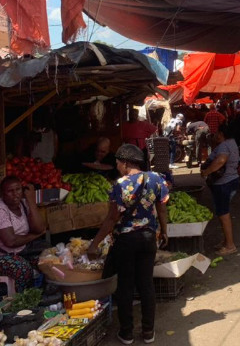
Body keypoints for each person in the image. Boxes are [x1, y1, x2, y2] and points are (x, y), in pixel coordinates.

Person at [87, 144, 168, 345]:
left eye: (117, 163)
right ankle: (149, 332)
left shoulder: (119, 185)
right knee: (146, 284)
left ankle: (127, 333)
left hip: (126, 240)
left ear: (125, 163)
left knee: (125, 285)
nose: (117, 167)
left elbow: (111, 218)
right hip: (149, 238)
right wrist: (164, 231)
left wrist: (94, 244)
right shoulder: (157, 179)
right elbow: (162, 209)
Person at [0, 176, 47, 293]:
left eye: (18, 189)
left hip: (21, 250)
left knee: (47, 260)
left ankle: (42, 294)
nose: (15, 194)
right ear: (3, 193)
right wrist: (35, 236)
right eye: (10, 191)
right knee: (22, 269)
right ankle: (20, 301)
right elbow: (11, 241)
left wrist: (31, 201)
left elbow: (40, 228)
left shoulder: (23, 204)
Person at [201, 123, 240, 256]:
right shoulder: (232, 143)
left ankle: (230, 245)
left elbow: (221, 160)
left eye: (217, 132)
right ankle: (226, 241)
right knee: (223, 213)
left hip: (224, 183)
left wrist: (207, 171)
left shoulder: (224, 145)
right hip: (231, 180)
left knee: (224, 214)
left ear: (222, 134)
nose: (216, 135)